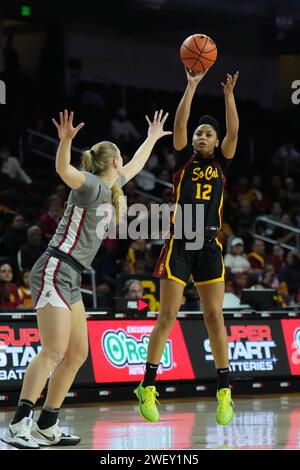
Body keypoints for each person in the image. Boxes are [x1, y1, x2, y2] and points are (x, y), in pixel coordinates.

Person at [1, 108, 171, 449]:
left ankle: (47, 423)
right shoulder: (91, 185)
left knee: (77, 353)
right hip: (54, 268)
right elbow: (63, 169)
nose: (125, 161)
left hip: (72, 276)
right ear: (111, 162)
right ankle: (19, 423)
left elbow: (136, 165)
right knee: (52, 350)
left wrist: (152, 137)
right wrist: (64, 143)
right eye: (120, 157)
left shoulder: (113, 186)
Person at [135, 68, 239, 426]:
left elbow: (234, 132)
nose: (201, 137)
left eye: (208, 134)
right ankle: (147, 385)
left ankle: (224, 391)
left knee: (215, 318)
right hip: (181, 241)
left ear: (216, 141)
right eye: (199, 133)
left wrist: (228, 98)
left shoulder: (223, 161)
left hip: (208, 244)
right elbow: (179, 126)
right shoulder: (184, 160)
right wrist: (191, 86)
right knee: (167, 316)